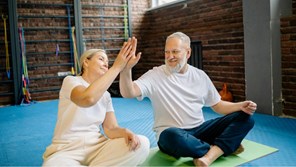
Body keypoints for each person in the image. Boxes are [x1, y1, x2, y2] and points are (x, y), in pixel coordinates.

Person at [119, 32, 256, 166]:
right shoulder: (155, 75)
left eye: (175, 52)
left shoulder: (200, 76)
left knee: (246, 118)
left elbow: (218, 105)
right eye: (167, 52)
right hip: (172, 135)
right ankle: (220, 149)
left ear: (188, 53)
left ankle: (209, 154)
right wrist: (126, 69)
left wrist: (240, 106)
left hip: (200, 131)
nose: (170, 56)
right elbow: (128, 92)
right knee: (171, 136)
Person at [42, 38, 150, 166]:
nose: (106, 63)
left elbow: (111, 128)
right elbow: (87, 99)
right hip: (67, 150)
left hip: (97, 148)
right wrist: (117, 67)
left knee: (142, 144)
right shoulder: (71, 81)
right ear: (86, 62)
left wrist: (125, 132)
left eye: (108, 62)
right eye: (101, 59)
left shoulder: (106, 95)